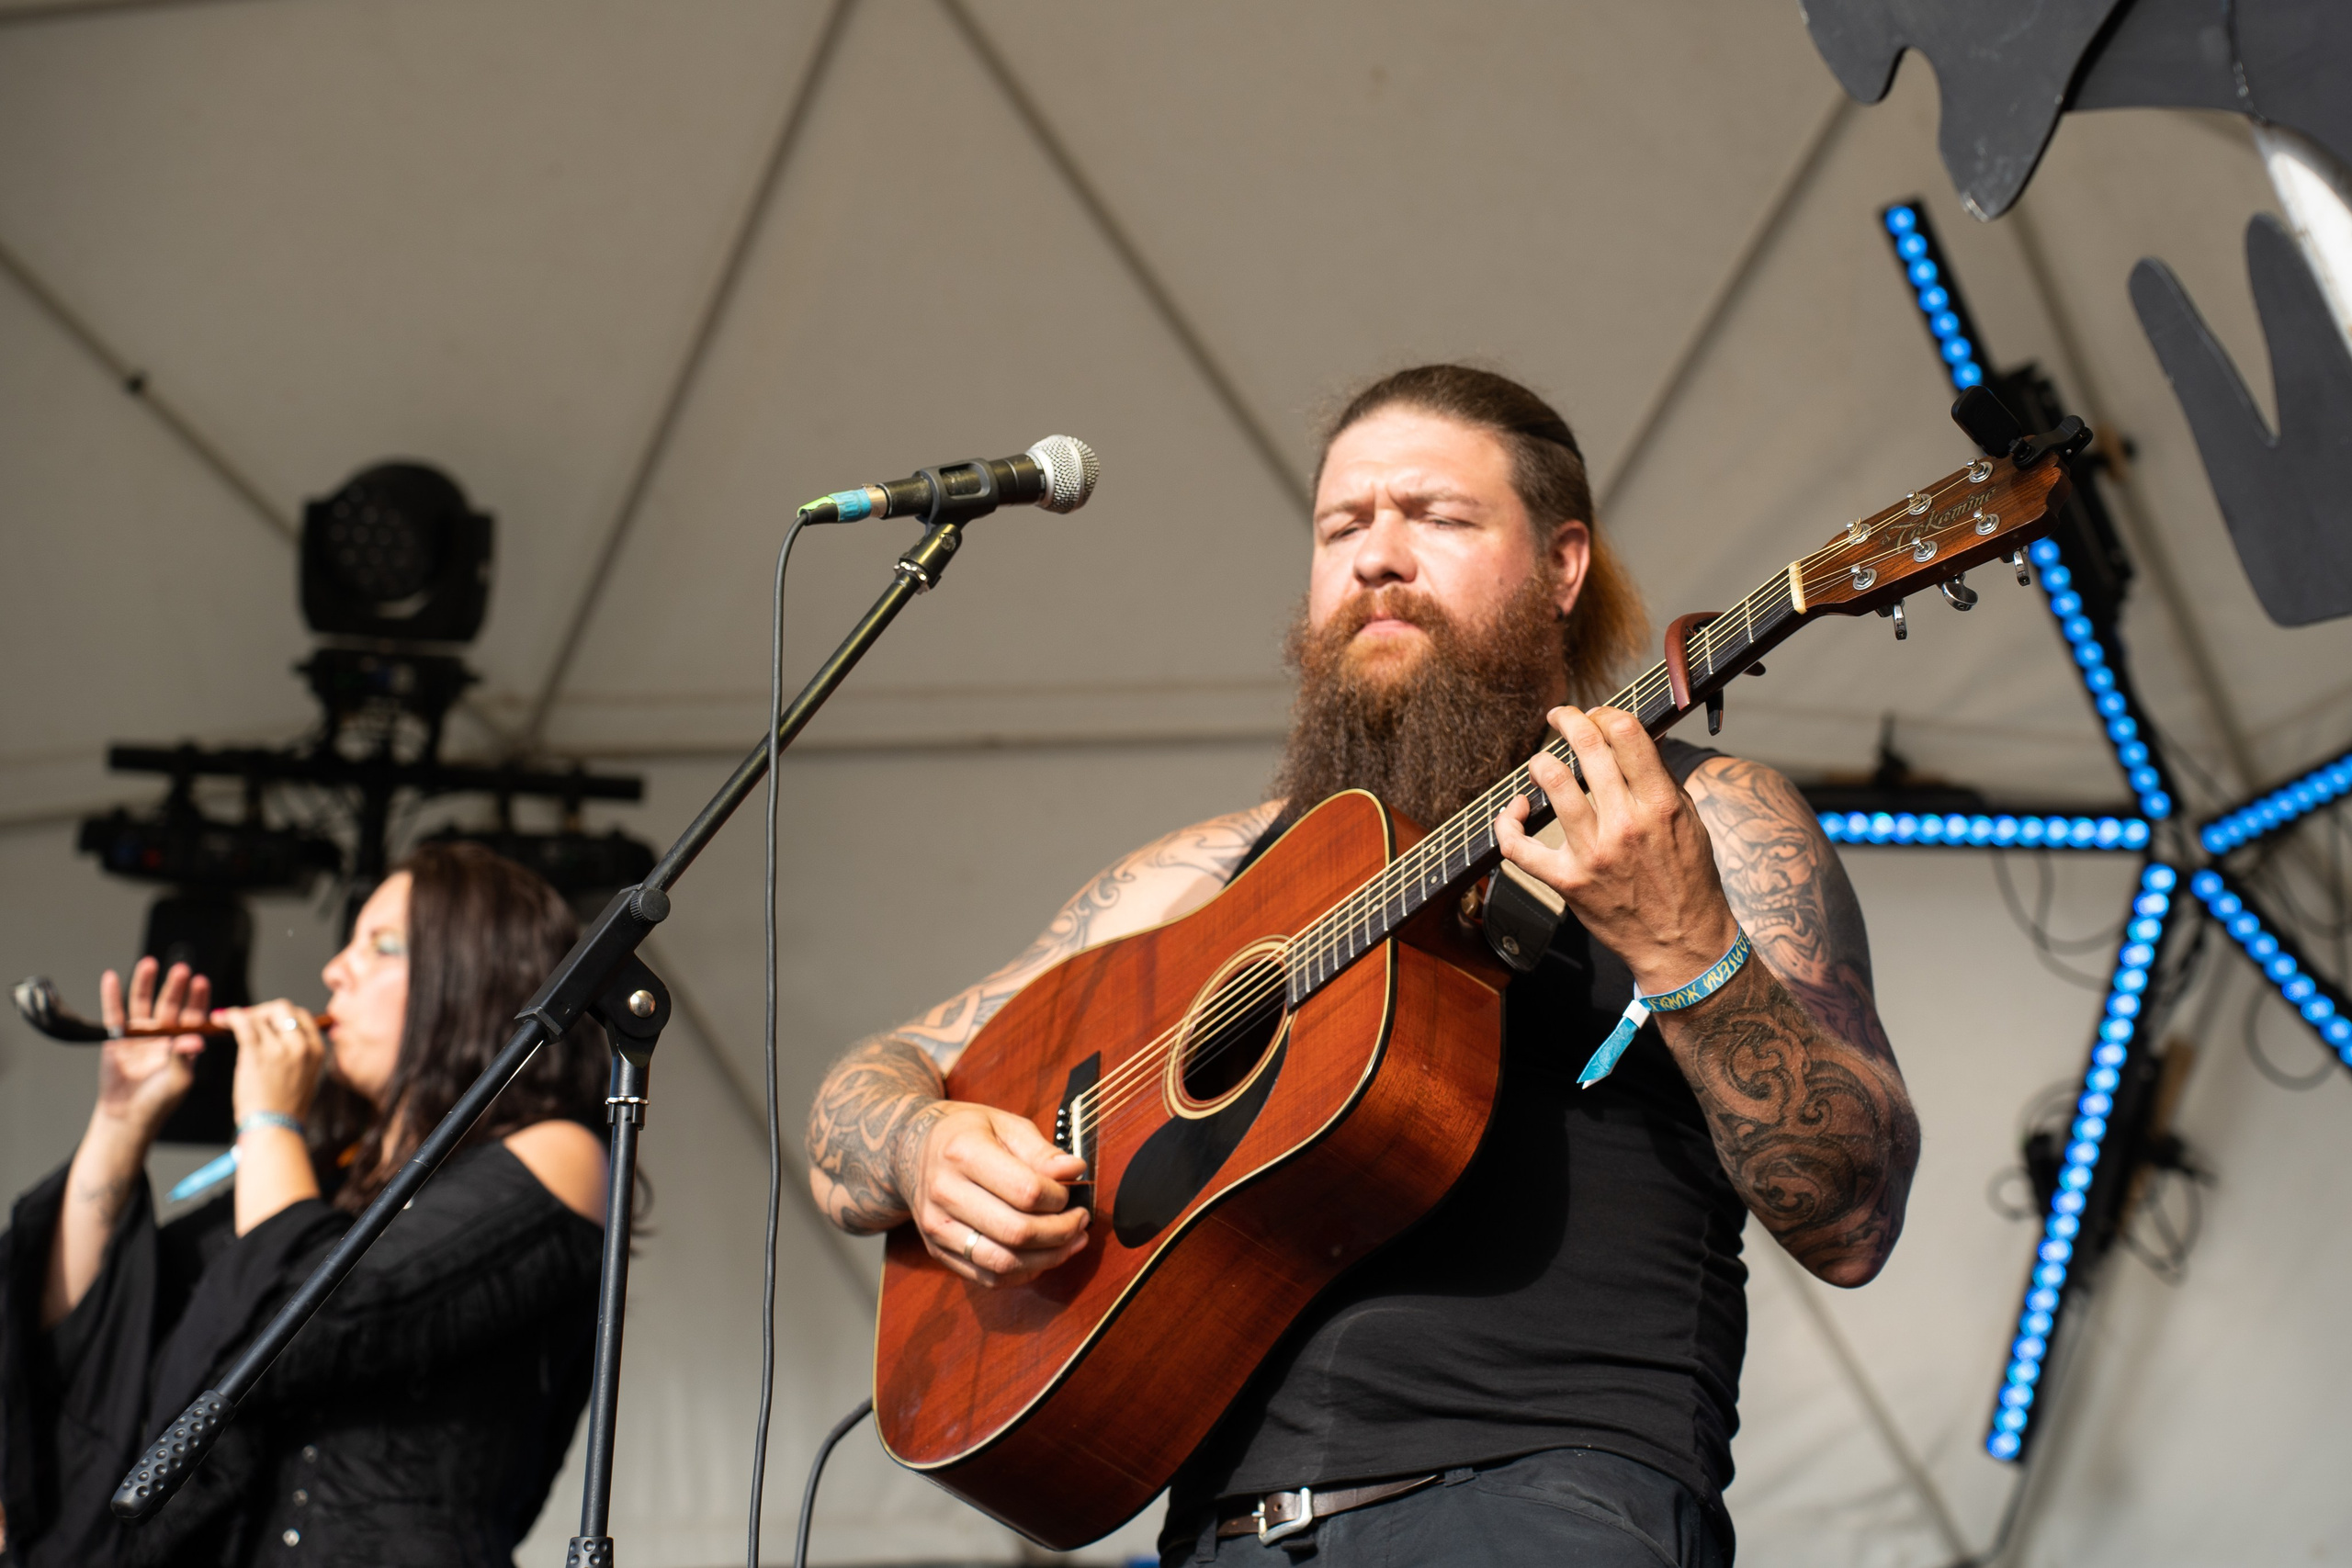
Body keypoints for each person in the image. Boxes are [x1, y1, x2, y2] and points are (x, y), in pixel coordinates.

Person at [806, 364, 1922, 1566]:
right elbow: (862, 1096)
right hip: (1219, 1541)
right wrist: (924, 1146)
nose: (1377, 557)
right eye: (1342, 526)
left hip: (1543, 1511)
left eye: (1437, 517)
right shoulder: (1208, 871)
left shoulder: (1701, 817)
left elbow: (1853, 1219)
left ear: (1562, 567)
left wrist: (1682, 945)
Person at [0, 842, 612, 1568]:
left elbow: (306, 1318)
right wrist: (121, 1119)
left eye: (382, 946)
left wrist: (269, 1119)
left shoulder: (560, 1154)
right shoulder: (322, 1171)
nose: (334, 970)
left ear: (474, 976)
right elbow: (90, 1327)